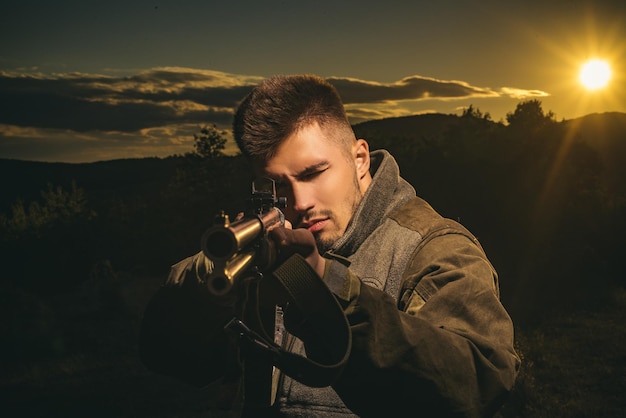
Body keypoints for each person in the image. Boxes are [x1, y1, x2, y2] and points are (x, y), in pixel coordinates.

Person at [139, 74, 520, 417]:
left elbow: (477, 387)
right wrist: (204, 288)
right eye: (279, 185)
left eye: (313, 173)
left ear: (359, 159)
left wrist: (322, 285)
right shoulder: (269, 244)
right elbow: (172, 359)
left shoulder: (435, 248)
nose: (299, 202)